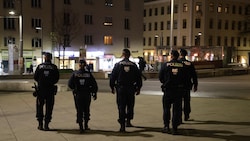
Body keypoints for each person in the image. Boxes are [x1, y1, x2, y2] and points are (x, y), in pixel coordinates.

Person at [109, 49, 142, 132]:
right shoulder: (134, 65)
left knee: (121, 106)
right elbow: (138, 78)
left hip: (121, 89)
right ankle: (128, 121)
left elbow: (113, 77)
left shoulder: (118, 65)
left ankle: (122, 125)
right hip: (131, 88)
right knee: (130, 105)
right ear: (129, 55)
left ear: (123, 55)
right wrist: (138, 88)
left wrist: (112, 87)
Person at [159, 50, 187, 135]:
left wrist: (166, 82)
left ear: (171, 55)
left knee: (166, 109)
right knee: (177, 110)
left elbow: (160, 77)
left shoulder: (165, 65)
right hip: (178, 90)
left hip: (168, 90)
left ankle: (166, 126)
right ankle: (174, 128)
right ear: (178, 56)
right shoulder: (182, 65)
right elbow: (186, 78)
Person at [68, 59, 98, 133]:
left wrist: (74, 89)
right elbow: (94, 84)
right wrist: (94, 93)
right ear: (85, 65)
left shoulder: (75, 74)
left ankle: (81, 126)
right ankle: (86, 125)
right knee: (86, 110)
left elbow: (70, 84)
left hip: (78, 94)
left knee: (79, 110)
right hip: (86, 94)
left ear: (79, 65)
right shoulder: (88, 74)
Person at [34, 52, 59, 131]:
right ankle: (46, 125)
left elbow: (35, 77)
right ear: (51, 58)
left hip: (41, 90)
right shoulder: (54, 67)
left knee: (39, 107)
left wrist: (41, 82)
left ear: (45, 58)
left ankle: (40, 124)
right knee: (49, 107)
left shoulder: (40, 66)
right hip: (50, 90)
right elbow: (57, 78)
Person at [179, 49, 198, 121]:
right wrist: (195, 85)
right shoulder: (189, 64)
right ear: (186, 55)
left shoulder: (178, 63)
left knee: (179, 101)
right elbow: (194, 75)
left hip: (179, 85)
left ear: (180, 54)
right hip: (187, 85)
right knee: (187, 100)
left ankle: (179, 116)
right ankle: (186, 115)